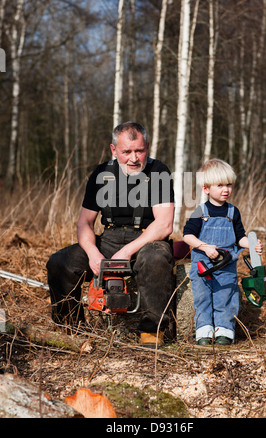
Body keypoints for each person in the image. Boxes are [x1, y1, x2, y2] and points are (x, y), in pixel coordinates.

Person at [46, 122, 175, 348]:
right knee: (60, 262)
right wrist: (94, 254)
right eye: (126, 152)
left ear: (148, 147)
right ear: (114, 150)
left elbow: (164, 225)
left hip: (147, 239)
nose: (134, 158)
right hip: (108, 239)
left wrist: (126, 252)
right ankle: (71, 329)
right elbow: (84, 222)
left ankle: (151, 332)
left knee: (155, 258)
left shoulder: (158, 171)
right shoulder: (101, 174)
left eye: (140, 150)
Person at [183, 158, 262, 346]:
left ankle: (224, 331)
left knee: (226, 297)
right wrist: (204, 247)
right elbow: (187, 235)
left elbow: (239, 237)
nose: (226, 189)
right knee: (202, 298)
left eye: (229, 184)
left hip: (226, 265)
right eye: (220, 185)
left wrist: (251, 245)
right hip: (203, 264)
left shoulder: (233, 212)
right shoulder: (200, 211)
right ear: (206, 189)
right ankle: (203, 331)